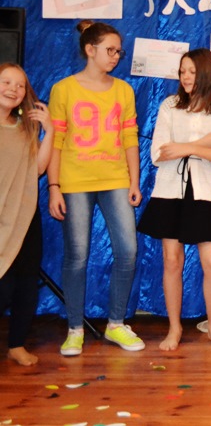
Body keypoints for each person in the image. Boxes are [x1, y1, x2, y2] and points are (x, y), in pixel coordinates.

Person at [48, 21, 144, 356]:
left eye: (119, 51)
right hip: (75, 181)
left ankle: (116, 324)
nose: (115, 56)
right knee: (77, 255)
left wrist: (134, 181)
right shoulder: (63, 89)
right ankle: (74, 328)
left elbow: (130, 138)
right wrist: (54, 186)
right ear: (90, 50)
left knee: (128, 250)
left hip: (115, 179)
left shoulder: (124, 90)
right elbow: (56, 141)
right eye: (110, 50)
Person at [137, 49, 211, 351]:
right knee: (172, 260)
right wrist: (205, 143)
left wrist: (186, 148)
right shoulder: (170, 105)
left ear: (206, 73)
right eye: (182, 71)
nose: (185, 77)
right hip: (170, 190)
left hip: (205, 191)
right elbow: (159, 154)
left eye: (192, 71)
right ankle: (174, 328)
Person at [0, 64, 54, 365]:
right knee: (3, 285)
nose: (13, 89)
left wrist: (50, 131)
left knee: (25, 282)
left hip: (24, 216)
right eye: (6, 82)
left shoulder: (24, 129)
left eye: (20, 85)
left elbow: (39, 169)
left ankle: (17, 345)